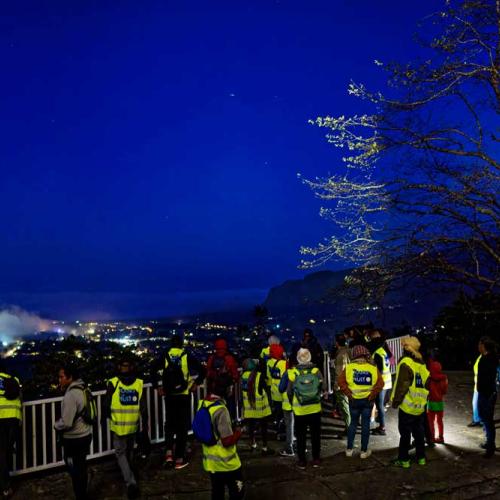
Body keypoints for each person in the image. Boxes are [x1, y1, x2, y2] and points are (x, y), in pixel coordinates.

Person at [155, 334, 205, 469]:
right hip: (184, 395)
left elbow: (152, 369)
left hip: (170, 395)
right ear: (181, 344)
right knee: (182, 427)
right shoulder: (186, 355)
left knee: (170, 425)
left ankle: (169, 454)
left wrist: (158, 386)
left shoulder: (165, 355)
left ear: (171, 343)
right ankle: (179, 458)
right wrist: (196, 383)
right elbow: (202, 370)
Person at [104, 357, 147, 499]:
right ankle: (130, 473)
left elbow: (106, 404)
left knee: (120, 454)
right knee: (129, 452)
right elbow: (143, 407)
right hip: (133, 425)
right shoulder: (139, 384)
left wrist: (106, 419)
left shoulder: (113, 383)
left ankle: (130, 483)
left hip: (118, 425)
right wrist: (145, 424)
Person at [198, 377, 244, 500]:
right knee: (237, 492)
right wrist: (239, 433)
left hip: (211, 463)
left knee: (217, 493)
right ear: (226, 389)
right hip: (227, 463)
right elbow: (227, 441)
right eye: (231, 388)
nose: (232, 390)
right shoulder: (221, 410)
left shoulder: (203, 404)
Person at [390, 337, 430, 469]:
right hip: (420, 406)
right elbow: (427, 384)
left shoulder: (406, 362)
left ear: (406, 348)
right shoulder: (422, 364)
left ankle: (404, 460)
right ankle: (421, 458)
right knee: (419, 433)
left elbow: (402, 385)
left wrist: (396, 402)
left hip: (407, 406)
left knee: (405, 434)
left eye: (403, 346)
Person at [54, 363, 92, 500]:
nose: (59, 380)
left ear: (70, 377)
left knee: (74, 469)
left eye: (61, 377)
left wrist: (56, 425)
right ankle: (83, 492)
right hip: (86, 434)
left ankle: (80, 495)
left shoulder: (71, 395)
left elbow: (67, 422)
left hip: (73, 438)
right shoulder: (84, 389)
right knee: (81, 466)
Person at [339, 345, 383, 458]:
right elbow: (380, 384)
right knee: (365, 425)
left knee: (352, 424)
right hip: (367, 401)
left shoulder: (349, 368)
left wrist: (349, 394)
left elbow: (341, 382)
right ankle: (363, 451)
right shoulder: (372, 368)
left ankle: (349, 449)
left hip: (353, 400)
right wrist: (372, 395)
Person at [286, 348, 325, 469]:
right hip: (315, 408)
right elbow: (323, 387)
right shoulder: (316, 371)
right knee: (315, 435)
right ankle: (316, 459)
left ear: (298, 358)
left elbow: (289, 392)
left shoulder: (293, 372)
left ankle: (302, 461)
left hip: (300, 410)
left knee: (301, 436)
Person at [240, 358, 273, 455]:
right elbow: (265, 386)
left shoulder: (243, 377)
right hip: (260, 407)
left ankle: (253, 443)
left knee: (251, 427)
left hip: (248, 407)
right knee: (263, 427)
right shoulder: (259, 376)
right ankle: (264, 447)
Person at [0, 362, 21, 499]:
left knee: (1, 452)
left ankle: (5, 486)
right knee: (6, 450)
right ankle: (5, 481)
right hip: (14, 418)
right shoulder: (15, 380)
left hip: (1, 417)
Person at [207, 338, 239, 421]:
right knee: (228, 408)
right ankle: (230, 424)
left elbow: (208, 372)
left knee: (216, 408)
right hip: (226, 389)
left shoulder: (212, 358)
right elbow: (235, 374)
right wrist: (233, 381)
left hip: (215, 389)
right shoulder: (229, 358)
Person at [476, 337, 498, 458]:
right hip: (484, 393)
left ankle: (491, 446)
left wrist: (487, 393)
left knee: (488, 420)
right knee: (484, 418)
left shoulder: (489, 359)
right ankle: (489, 442)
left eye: (479, 344)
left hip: (487, 394)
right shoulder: (486, 358)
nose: (478, 346)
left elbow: (488, 379)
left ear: (483, 345)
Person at [370, 330, 392, 436]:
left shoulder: (377, 353)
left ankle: (382, 428)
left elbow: (380, 370)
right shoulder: (383, 351)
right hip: (387, 381)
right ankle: (381, 425)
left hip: (381, 383)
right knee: (380, 405)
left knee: (379, 406)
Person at [426, 349, 448, 444]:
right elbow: (444, 391)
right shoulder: (444, 378)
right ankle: (441, 437)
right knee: (440, 421)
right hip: (440, 402)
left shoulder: (430, 379)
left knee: (431, 421)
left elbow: (427, 390)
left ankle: (432, 438)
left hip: (431, 402)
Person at [266, 343, 287, 434]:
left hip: (273, 391)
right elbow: (286, 376)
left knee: (277, 411)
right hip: (282, 391)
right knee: (284, 413)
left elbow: (268, 377)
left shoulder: (269, 362)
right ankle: (282, 429)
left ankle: (277, 426)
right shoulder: (283, 363)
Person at [332, 335, 351, 437]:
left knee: (345, 407)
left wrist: (337, 386)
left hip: (343, 385)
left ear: (337, 343)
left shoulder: (340, 356)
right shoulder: (349, 351)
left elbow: (340, 373)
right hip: (351, 382)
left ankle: (349, 429)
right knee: (349, 406)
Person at [278, 357, 296, 457]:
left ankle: (289, 449)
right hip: (301, 403)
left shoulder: (287, 373)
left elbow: (281, 388)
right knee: (299, 426)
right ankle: (301, 446)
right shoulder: (301, 372)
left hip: (288, 403)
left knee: (289, 425)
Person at [468, 350, 483, 427]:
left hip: (482, 385)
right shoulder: (481, 356)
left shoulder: (485, 358)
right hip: (478, 385)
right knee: (476, 403)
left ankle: (479, 420)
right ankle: (478, 419)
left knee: (478, 403)